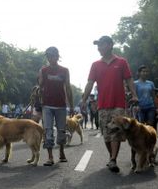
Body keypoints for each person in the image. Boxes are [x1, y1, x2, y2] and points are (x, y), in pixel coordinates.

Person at [81, 36, 138, 173]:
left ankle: (113, 159)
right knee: (106, 133)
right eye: (98, 46)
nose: (99, 48)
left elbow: (129, 79)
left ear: (110, 45)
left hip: (119, 103)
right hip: (103, 105)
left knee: (116, 133)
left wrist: (135, 95)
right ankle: (111, 157)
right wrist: (84, 99)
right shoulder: (95, 65)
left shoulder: (121, 62)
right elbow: (90, 83)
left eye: (101, 45)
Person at [39, 46, 73, 166]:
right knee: (48, 130)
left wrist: (72, 106)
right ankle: (50, 157)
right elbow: (40, 86)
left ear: (58, 56)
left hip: (61, 105)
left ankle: (62, 152)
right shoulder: (43, 70)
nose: (50, 58)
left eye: (53, 55)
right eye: (48, 56)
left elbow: (68, 88)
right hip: (47, 105)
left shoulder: (64, 70)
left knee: (61, 130)